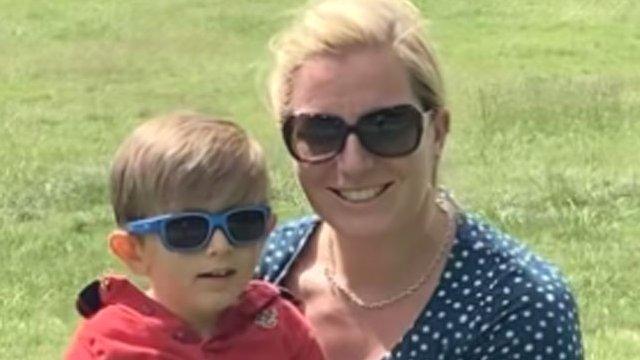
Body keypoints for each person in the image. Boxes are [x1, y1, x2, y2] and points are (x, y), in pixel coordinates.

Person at [257, 0, 584, 359]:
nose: (353, 162)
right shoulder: (254, 269)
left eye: (387, 127)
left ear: (437, 133)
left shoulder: (518, 307)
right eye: (320, 131)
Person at [65, 112, 325, 359]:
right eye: (187, 229)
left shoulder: (280, 326)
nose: (220, 245)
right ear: (133, 251)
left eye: (243, 223)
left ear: (267, 230)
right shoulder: (106, 344)